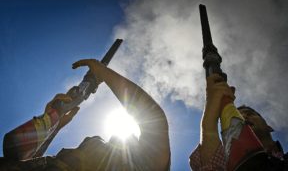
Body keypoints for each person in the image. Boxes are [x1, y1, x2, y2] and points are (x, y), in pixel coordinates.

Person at [1, 59, 170, 171]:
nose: (114, 140)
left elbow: (153, 119)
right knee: (12, 149)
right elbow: (24, 161)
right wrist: (53, 122)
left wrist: (102, 72)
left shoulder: (143, 166)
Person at [189, 74, 288, 171]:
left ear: (269, 127)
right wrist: (210, 117)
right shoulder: (228, 167)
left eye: (249, 113)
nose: (243, 117)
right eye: (238, 116)